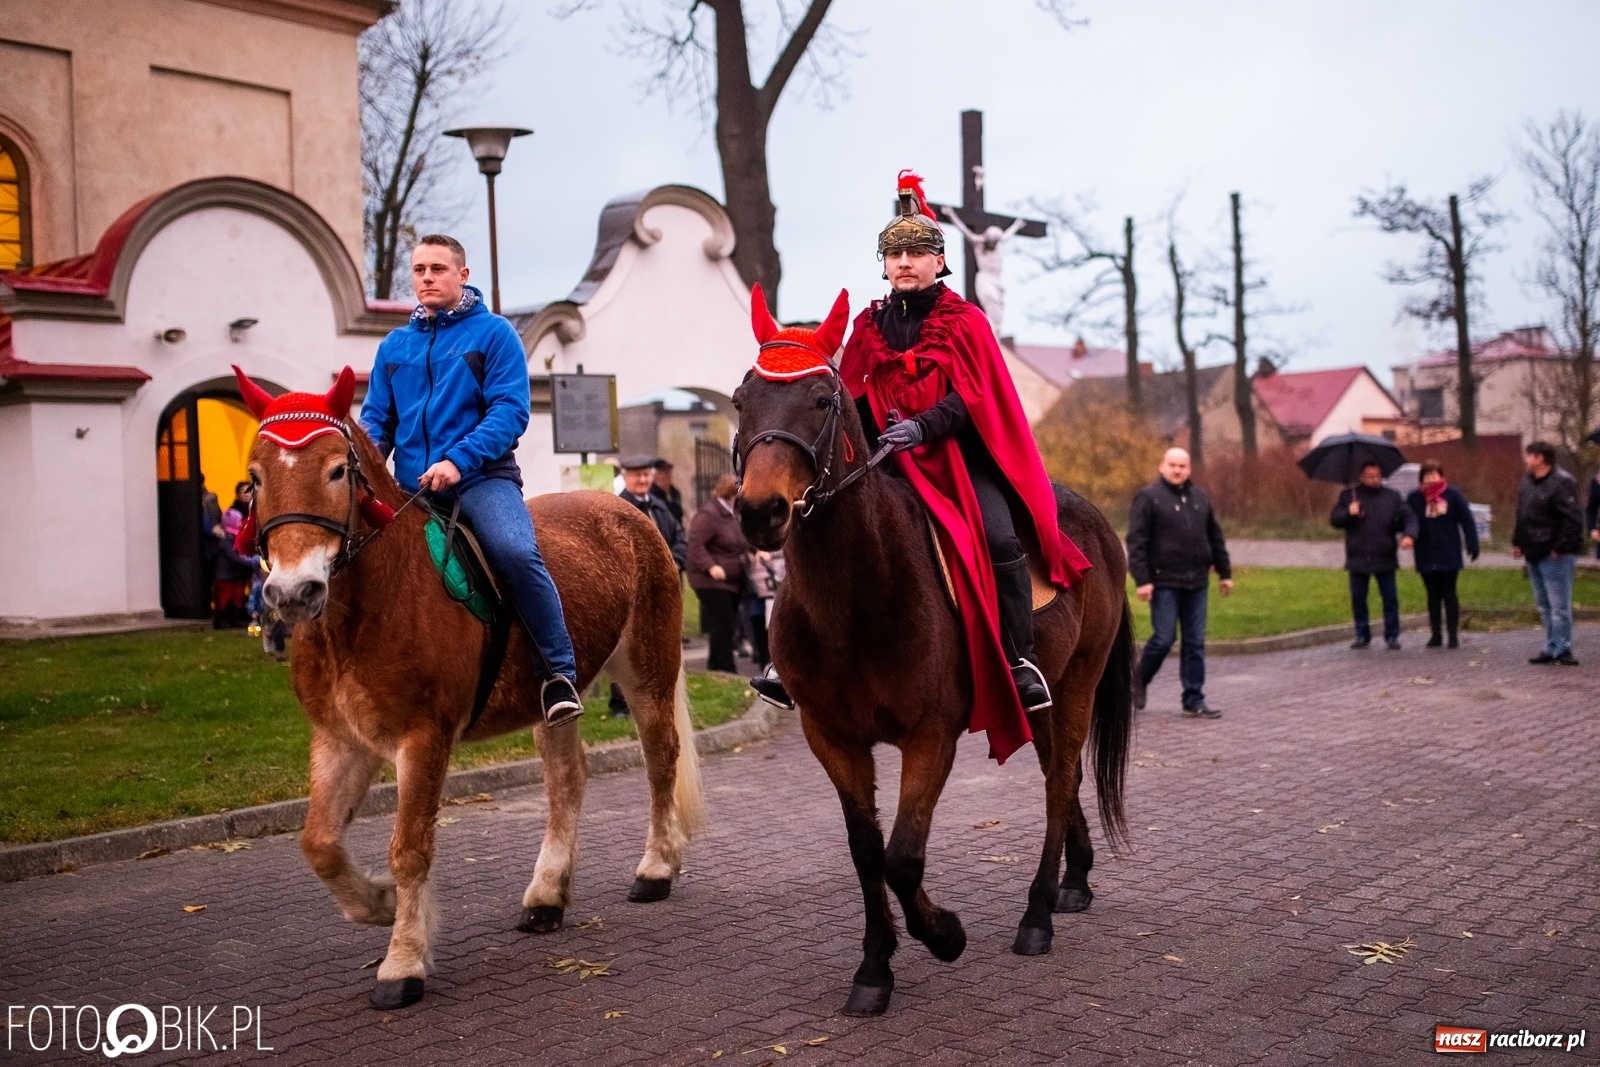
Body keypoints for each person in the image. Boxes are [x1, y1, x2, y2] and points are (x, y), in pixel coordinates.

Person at [835, 170, 1091, 728]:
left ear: (939, 261)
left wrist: (921, 427)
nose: (904, 263)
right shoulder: (867, 327)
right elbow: (849, 395)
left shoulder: (966, 321)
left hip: (962, 459)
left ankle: (1020, 659)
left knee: (1000, 538)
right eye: (895, 254)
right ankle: (799, 660)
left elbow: (975, 397)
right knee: (831, 528)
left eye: (915, 254)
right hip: (889, 462)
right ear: (884, 264)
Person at [359, 233, 583, 725]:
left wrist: (457, 461)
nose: (427, 278)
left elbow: (510, 412)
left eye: (438, 269)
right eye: (419, 270)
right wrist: (366, 471)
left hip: (481, 479)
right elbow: (376, 421)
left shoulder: (494, 334)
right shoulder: (394, 346)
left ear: (462, 275)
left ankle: (557, 673)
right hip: (410, 488)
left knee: (514, 551)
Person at [1126, 447, 1233, 718]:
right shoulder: (1148, 497)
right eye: (1172, 465)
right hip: (1164, 581)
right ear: (1162, 467)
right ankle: (1137, 682)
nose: (1177, 470)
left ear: (1189, 469)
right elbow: (1136, 542)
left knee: (1195, 642)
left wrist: (1225, 572)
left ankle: (1194, 698)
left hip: (1197, 582)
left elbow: (1215, 536)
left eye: (1182, 466)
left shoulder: (1200, 498)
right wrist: (1142, 580)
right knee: (1164, 639)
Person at [610, 455, 689, 716]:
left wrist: (675, 561)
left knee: (660, 644)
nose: (642, 480)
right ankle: (621, 703)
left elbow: (679, 537)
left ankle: (658, 696)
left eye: (646, 475)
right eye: (637, 475)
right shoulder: (618, 508)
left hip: (663, 589)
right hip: (633, 588)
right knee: (626, 647)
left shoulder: (659, 506)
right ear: (625, 477)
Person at [1511, 440, 1584, 666]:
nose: (1525, 460)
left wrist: (1560, 547)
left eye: (1529, 455)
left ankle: (1563, 648)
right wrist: (1517, 541)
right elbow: (1522, 514)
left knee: (1559, 605)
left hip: (1554, 552)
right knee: (1544, 603)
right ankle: (1550, 645)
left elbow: (1572, 518)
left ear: (1540, 458)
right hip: (1533, 550)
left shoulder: (1562, 482)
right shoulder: (1527, 483)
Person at [1330, 461, 1417, 650]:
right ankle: (1362, 634)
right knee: (1358, 598)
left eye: (1377, 476)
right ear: (1361, 477)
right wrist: (1348, 512)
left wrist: (1409, 535)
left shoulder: (1392, 496)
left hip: (1384, 555)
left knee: (1390, 598)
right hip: (1358, 556)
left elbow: (1409, 516)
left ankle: (1392, 635)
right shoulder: (1348, 495)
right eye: (1370, 477)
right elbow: (1335, 520)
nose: (1374, 480)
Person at [1405, 461, 1479, 649]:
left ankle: (1452, 634)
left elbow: (1466, 519)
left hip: (1448, 550)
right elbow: (1408, 520)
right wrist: (1407, 535)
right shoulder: (1414, 498)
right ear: (1421, 478)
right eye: (1427, 475)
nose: (1431, 479)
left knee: (1449, 593)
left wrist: (1472, 542)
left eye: (1434, 475)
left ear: (1441, 476)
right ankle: (1436, 634)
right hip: (1425, 551)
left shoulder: (1452, 495)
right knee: (1432, 594)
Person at [687, 473, 750, 674]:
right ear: (732, 493)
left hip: (732, 580)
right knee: (724, 622)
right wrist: (711, 566)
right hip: (709, 580)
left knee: (722, 623)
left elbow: (741, 540)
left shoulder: (733, 513)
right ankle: (726, 667)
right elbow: (696, 545)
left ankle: (715, 666)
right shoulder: (709, 515)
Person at [213, 509, 257, 629]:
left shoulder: (237, 536)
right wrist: (249, 562)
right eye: (239, 521)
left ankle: (236, 619)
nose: (241, 523)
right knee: (225, 596)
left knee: (238, 596)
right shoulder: (226, 539)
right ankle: (221, 620)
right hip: (226, 575)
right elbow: (233, 557)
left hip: (236, 573)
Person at [650, 459, 685, 526]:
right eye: (663, 472)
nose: (667, 475)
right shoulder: (651, 495)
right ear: (654, 476)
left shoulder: (675, 493)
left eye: (668, 472)